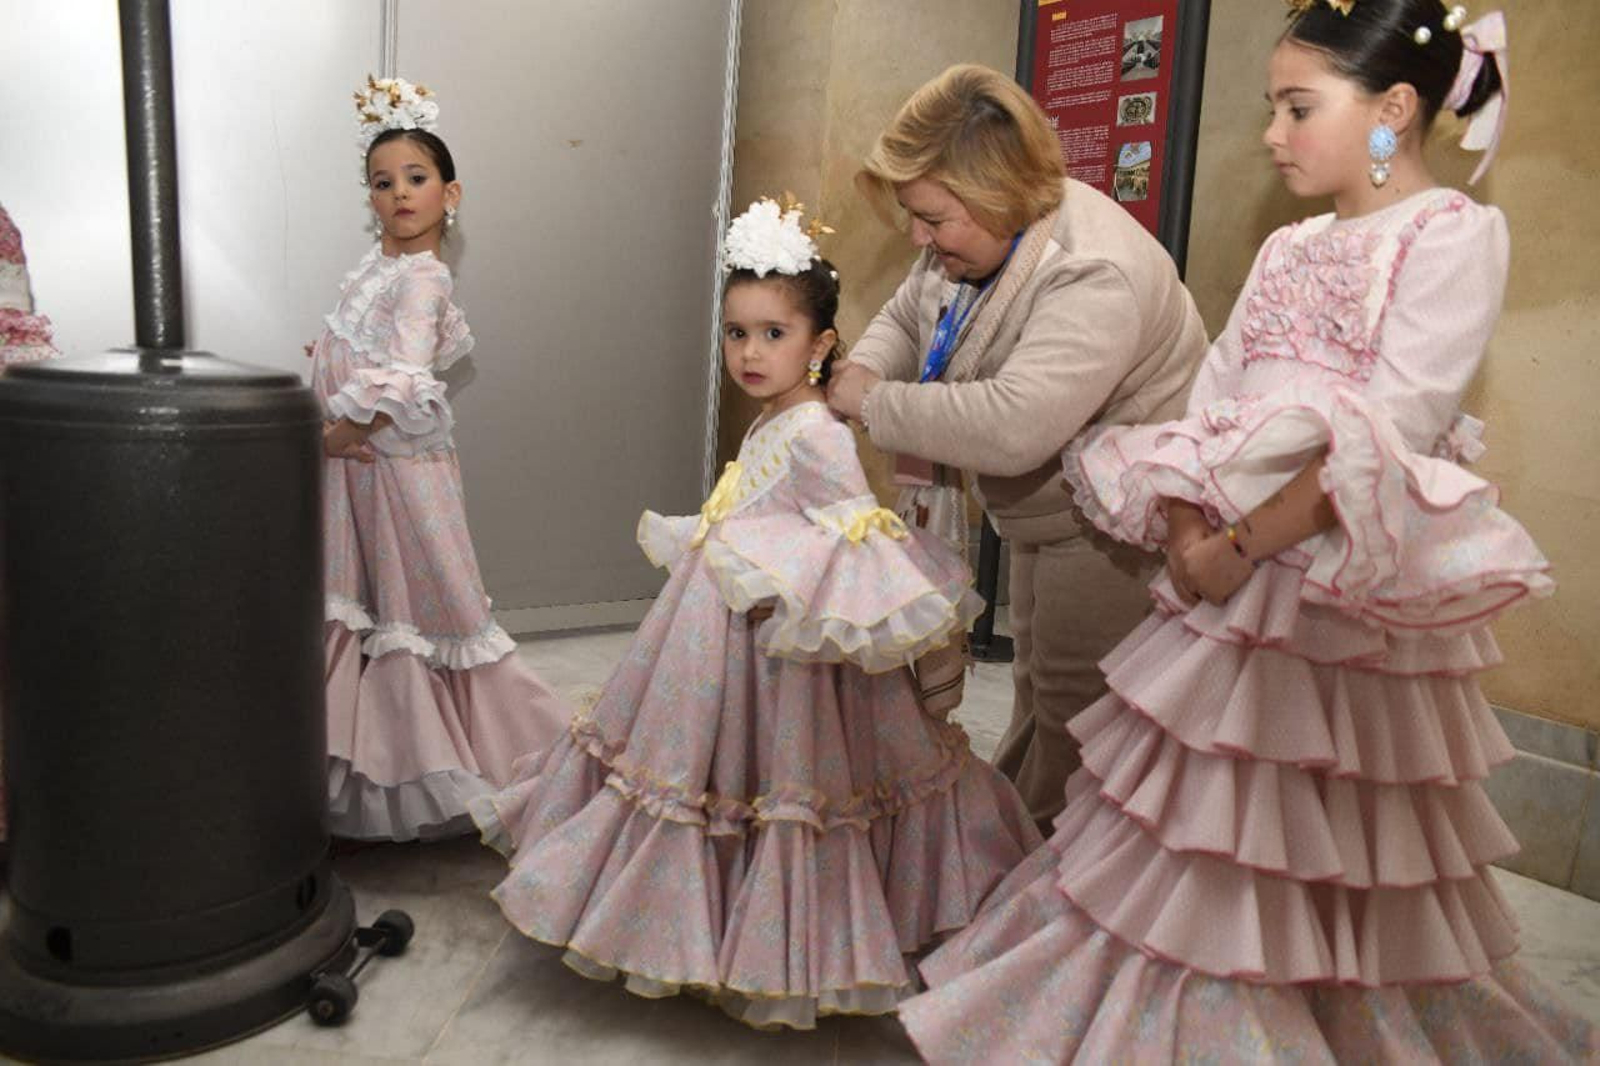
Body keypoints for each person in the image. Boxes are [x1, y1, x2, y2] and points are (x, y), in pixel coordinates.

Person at [898, 3, 1600, 1060]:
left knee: (1313, 829)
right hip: (1223, 577)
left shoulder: (1449, 234)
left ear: (1392, 111)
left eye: (1297, 108)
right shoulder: (1287, 244)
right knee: (1194, 822)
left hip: (1333, 585)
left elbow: (1391, 430)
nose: (1272, 134)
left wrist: (1236, 547)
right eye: (1273, 107)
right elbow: (1208, 403)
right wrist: (1189, 526)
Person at [470, 198, 1041, 1030]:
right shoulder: (774, 419)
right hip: (721, 638)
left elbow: (859, 539)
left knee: (787, 784)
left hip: (781, 647)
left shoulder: (819, 432)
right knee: (703, 769)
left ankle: (773, 934)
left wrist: (919, 643)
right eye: (738, 333)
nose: (750, 352)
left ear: (821, 345)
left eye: (775, 333)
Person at [827, 64, 1208, 829]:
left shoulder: (1094, 272)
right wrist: (862, 368)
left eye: (933, 219)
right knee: (1040, 690)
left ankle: (1043, 874)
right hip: (1046, 515)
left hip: (1111, 530)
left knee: (1080, 722)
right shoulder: (974, 241)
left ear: (996, 193)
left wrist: (873, 403)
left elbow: (1013, 425)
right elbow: (908, 316)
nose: (918, 238)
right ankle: (1010, 850)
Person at [309, 77, 568, 842]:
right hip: (358, 473)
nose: (398, 193)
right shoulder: (376, 267)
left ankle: (523, 759)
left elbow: (408, 371)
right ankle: (364, 763)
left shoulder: (424, 275)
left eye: (416, 178)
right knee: (365, 606)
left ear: (450, 194)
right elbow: (358, 350)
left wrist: (340, 431)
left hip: (394, 473)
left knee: (429, 609)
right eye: (382, 182)